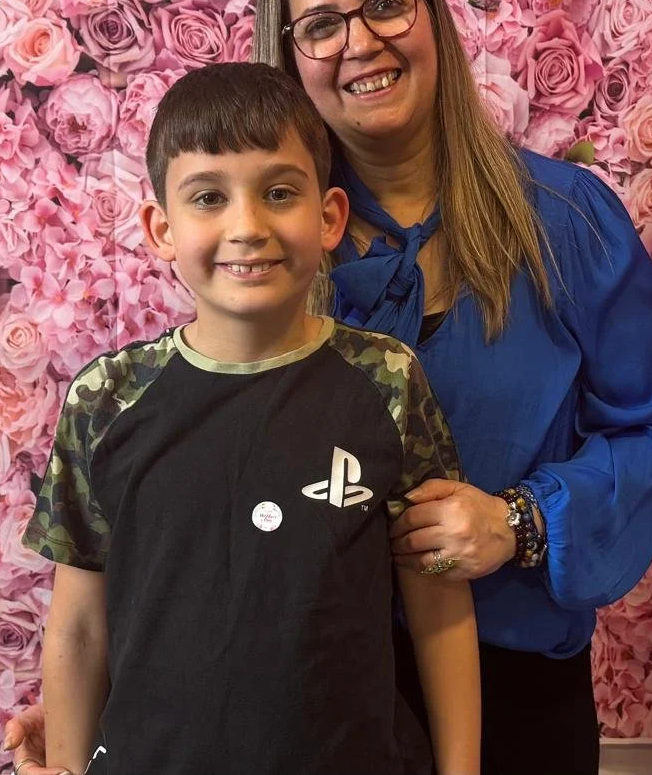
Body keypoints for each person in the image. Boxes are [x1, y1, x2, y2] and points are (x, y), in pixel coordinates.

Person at [7, 0, 652, 775]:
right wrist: (110, 706)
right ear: (290, 57)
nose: (361, 44)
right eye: (322, 25)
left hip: (506, 680)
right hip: (284, 692)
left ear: (431, 16)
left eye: (385, 6)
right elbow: (185, 508)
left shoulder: (567, 221)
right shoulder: (268, 257)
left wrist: (520, 522)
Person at [26, 62, 480, 775]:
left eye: (278, 192)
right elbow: (80, 630)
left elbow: (440, 605)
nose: (248, 226)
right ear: (161, 227)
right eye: (208, 197)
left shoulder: (387, 381)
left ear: (328, 216)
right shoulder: (106, 400)